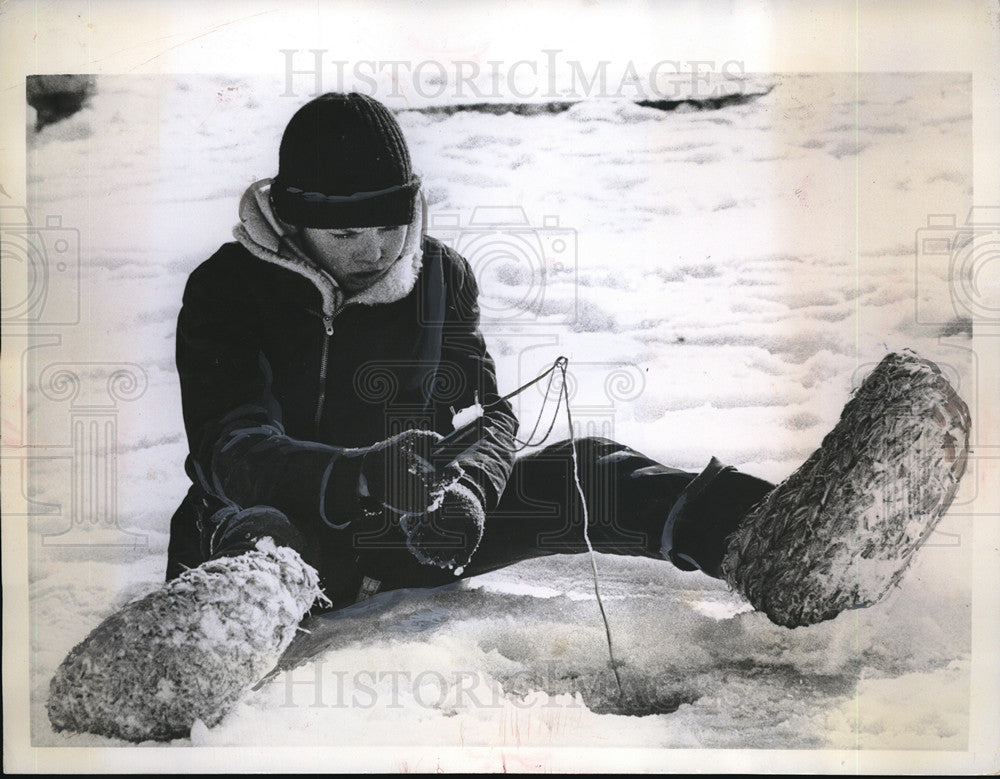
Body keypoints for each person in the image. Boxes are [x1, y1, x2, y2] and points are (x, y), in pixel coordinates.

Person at [48, 92, 971, 742]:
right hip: (278, 521)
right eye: (344, 234)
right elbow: (232, 446)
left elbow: (488, 409)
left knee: (595, 467)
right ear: (291, 221)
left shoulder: (441, 274)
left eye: (387, 225)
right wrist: (361, 472)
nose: (372, 250)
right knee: (256, 537)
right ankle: (188, 657)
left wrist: (472, 486)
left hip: (416, 521)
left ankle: (779, 539)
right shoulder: (226, 291)